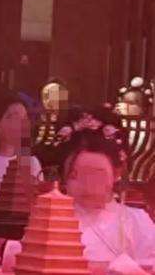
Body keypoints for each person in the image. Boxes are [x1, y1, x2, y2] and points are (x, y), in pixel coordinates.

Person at [38, 109, 154, 264]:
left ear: (116, 173)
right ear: (64, 175)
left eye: (97, 174)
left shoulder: (137, 222)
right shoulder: (51, 220)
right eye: (75, 175)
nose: (88, 186)